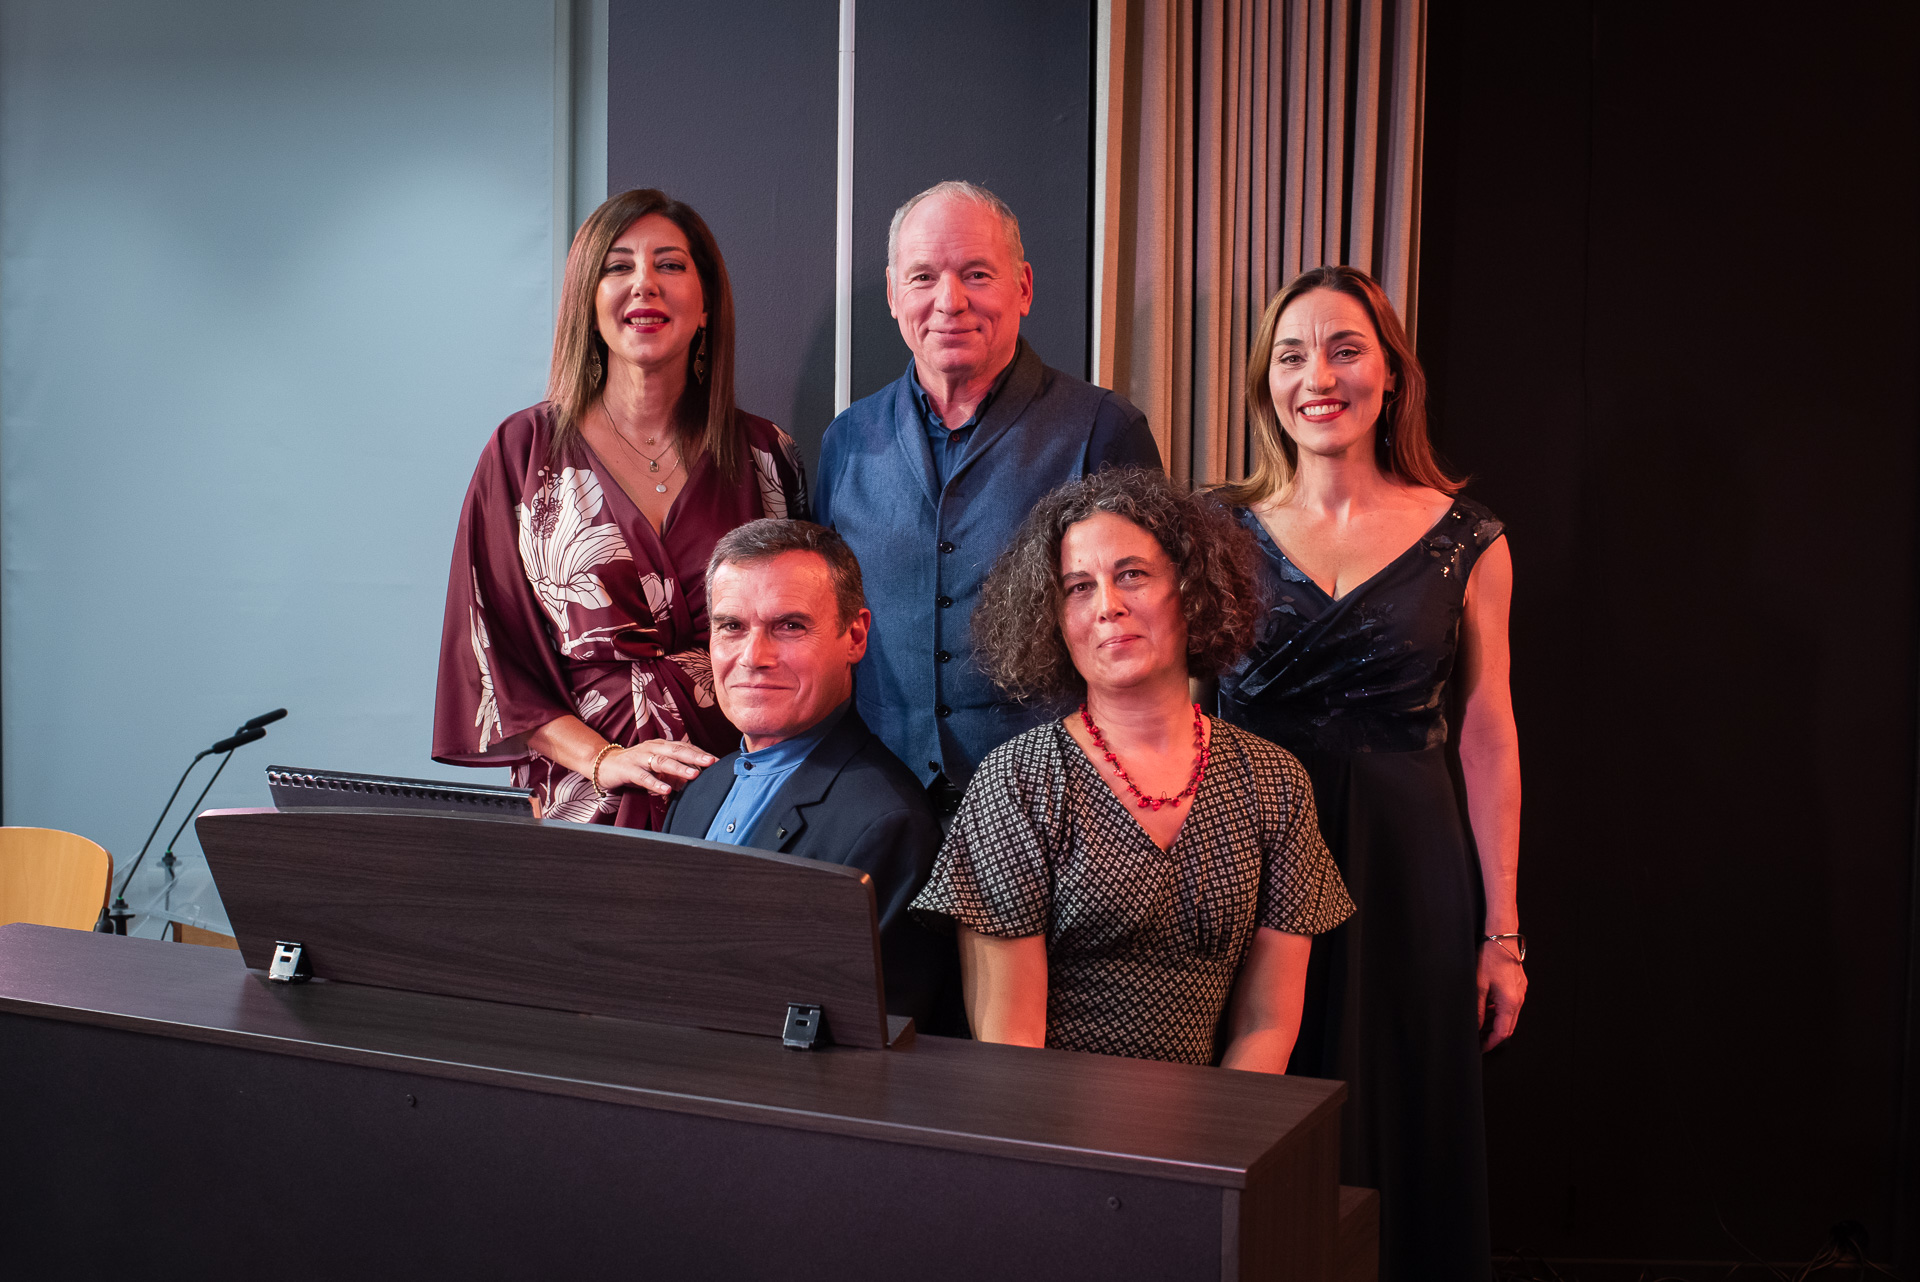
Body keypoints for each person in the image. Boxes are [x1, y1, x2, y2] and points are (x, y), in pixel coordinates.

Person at [1214, 265, 1523, 1280]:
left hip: (1409, 864)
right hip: (1254, 857)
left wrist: (1503, 932)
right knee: (1256, 1103)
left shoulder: (1469, 539)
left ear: (1391, 374)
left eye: (1345, 350)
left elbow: (1487, 733)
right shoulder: (1216, 529)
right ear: (1266, 382)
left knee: (1407, 1103)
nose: (1318, 377)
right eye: (1291, 356)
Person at [911, 469, 1353, 1067]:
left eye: (1132, 575)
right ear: (1052, 618)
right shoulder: (1017, 780)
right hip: (1046, 1115)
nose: (1108, 607)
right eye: (1078, 587)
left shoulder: (1273, 781)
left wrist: (1215, 1128)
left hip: (1218, 1116)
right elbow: (1010, 1043)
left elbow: (1266, 1026)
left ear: (1193, 589)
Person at [433, 189, 807, 829]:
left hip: (741, 794)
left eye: (670, 265)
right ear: (588, 299)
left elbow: (806, 638)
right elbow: (496, 657)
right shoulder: (522, 452)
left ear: (706, 303)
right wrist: (605, 760)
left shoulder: (767, 455)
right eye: (618, 266)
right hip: (584, 799)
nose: (645, 285)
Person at [814, 181, 1161, 819]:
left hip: (1057, 803)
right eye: (923, 277)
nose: (950, 301)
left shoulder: (1104, 429)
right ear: (893, 294)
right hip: (876, 801)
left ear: (1022, 287)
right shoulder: (848, 440)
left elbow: (1151, 630)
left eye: (976, 273)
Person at [662, 519, 954, 1029]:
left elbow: (862, 1042)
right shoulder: (699, 790)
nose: (753, 657)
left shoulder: (887, 824)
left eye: (790, 626)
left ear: (855, 636)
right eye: (731, 627)